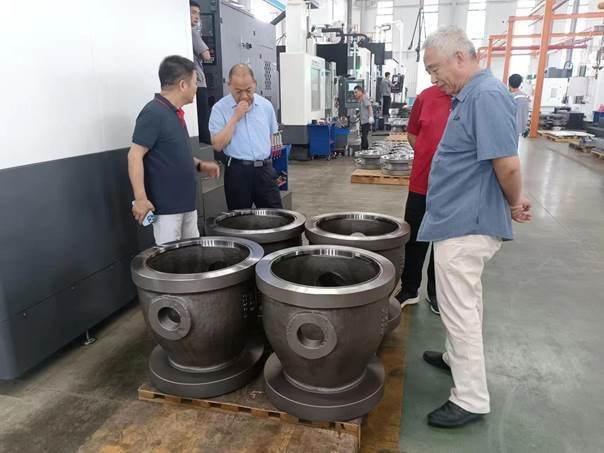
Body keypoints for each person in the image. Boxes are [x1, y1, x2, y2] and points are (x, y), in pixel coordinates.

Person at [417, 27, 532, 429]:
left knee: (460, 310)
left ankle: (470, 399)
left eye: (435, 69)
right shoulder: (470, 95)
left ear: (460, 58)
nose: (434, 78)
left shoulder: (485, 96)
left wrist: (515, 202)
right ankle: (455, 358)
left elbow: (508, 164)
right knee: (464, 302)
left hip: (467, 224)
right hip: (457, 219)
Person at [128, 56, 220, 245]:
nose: (197, 87)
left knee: (193, 254)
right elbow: (134, 156)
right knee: (171, 259)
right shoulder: (153, 113)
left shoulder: (174, 113)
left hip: (186, 204)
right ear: (183, 85)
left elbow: (176, 155)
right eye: (195, 82)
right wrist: (141, 198)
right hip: (167, 209)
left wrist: (201, 165)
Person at [396, 84, 451, 315]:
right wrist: (427, 154)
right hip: (422, 181)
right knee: (414, 238)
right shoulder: (426, 97)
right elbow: (412, 133)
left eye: (436, 69)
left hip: (452, 187)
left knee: (444, 243)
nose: (434, 76)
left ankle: (437, 293)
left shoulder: (470, 98)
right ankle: (410, 289)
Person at [209, 64, 282, 210]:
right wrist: (235, 117)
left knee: (276, 216)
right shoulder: (219, 109)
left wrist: (274, 169)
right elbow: (217, 145)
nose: (244, 96)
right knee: (239, 218)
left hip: (265, 170)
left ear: (254, 83)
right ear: (229, 86)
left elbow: (274, 138)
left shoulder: (266, 106)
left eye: (248, 90)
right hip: (237, 172)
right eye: (238, 91)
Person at [190, 1, 213, 145]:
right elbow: (207, 56)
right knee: (203, 118)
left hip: (192, 82)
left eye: (198, 13)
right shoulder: (192, 32)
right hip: (199, 83)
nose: (197, 17)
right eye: (193, 12)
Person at [353, 85, 374, 150]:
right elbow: (362, 110)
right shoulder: (360, 99)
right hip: (363, 121)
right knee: (363, 136)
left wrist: (371, 117)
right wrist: (357, 115)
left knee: (364, 136)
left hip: (366, 121)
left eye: (356, 92)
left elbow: (369, 107)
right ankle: (365, 149)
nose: (355, 94)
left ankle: (364, 150)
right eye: (354, 92)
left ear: (360, 91)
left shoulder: (364, 98)